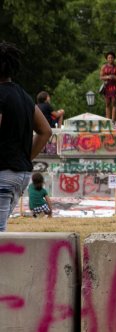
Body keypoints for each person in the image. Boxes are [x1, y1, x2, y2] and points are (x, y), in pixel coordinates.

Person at [0, 41, 53, 230]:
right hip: (20, 173)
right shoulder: (24, 96)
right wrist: (25, 156)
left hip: (3, 171)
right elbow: (46, 131)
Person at [100, 51, 116, 122]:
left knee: (114, 102)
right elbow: (101, 77)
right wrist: (108, 77)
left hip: (114, 86)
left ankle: (113, 120)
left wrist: (114, 77)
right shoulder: (104, 67)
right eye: (109, 58)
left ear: (114, 58)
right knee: (107, 103)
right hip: (107, 86)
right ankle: (108, 119)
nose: (110, 59)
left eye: (112, 57)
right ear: (106, 59)